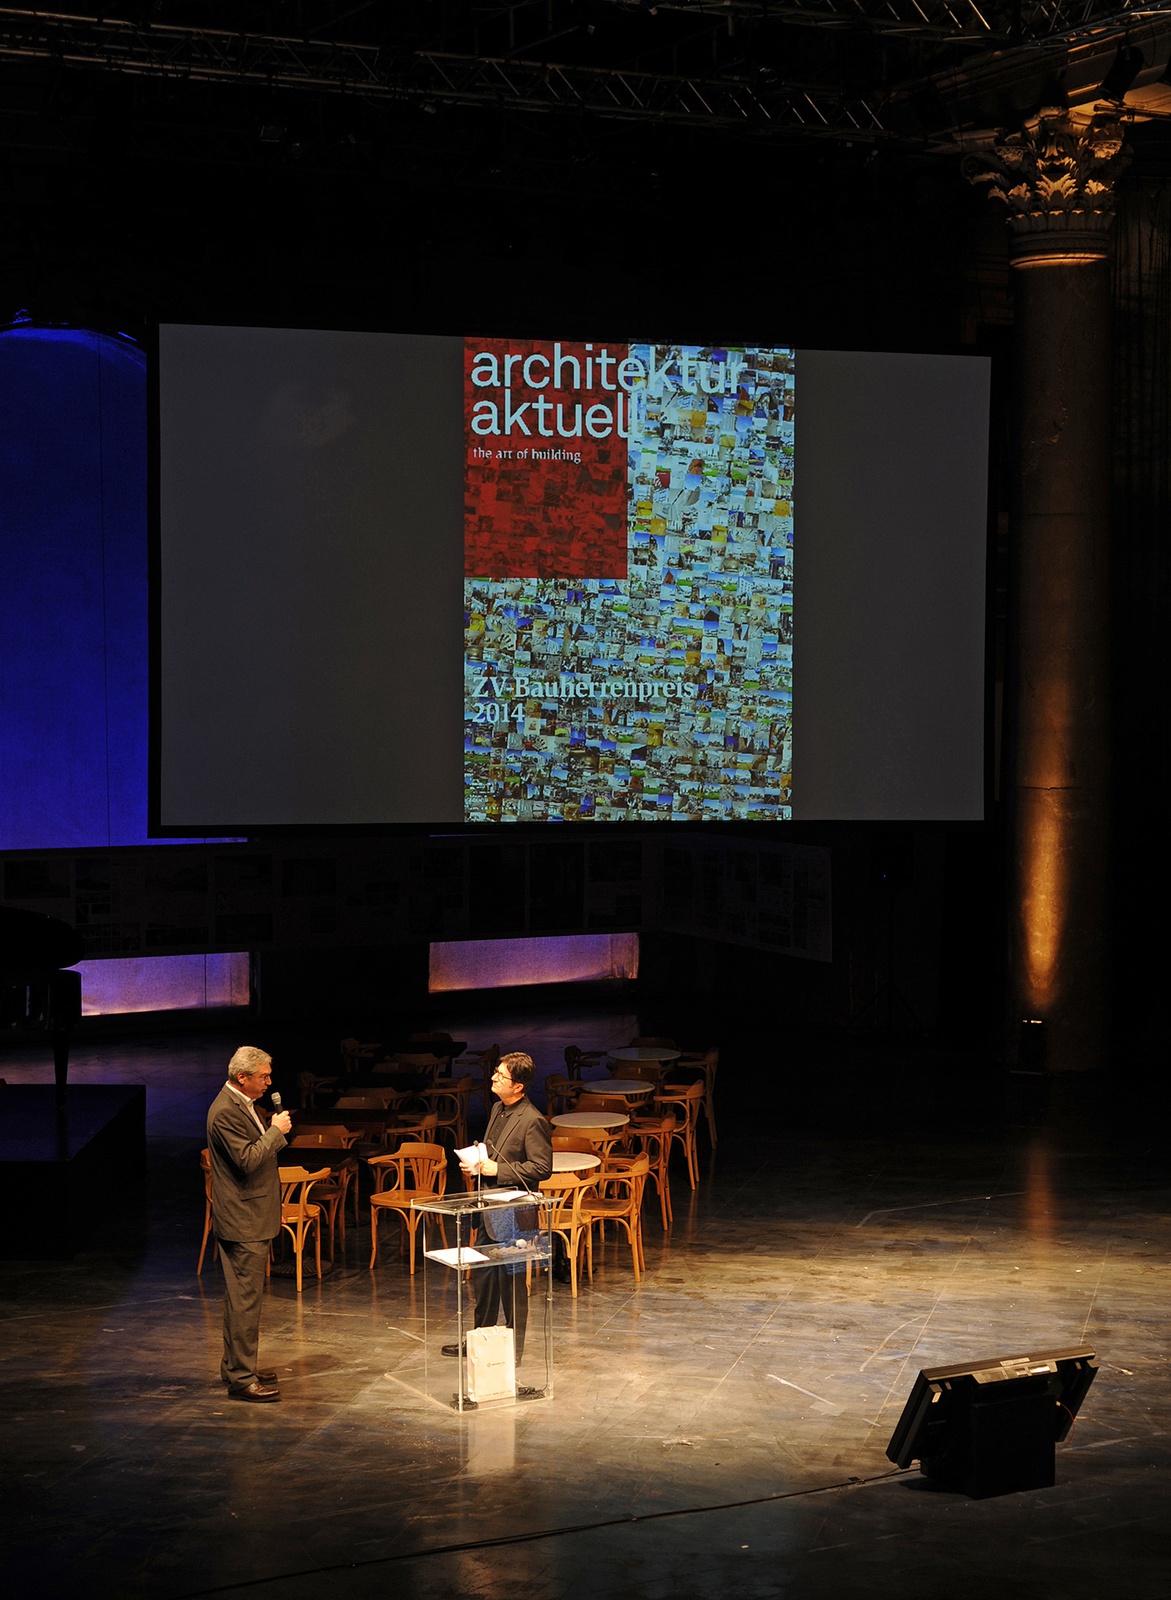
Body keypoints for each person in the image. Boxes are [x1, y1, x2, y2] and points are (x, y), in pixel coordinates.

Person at [449, 1051, 552, 1367]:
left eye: (501, 1075)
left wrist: (498, 1170)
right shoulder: (497, 1108)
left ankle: (513, 1352)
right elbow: (493, 1156)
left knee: (512, 1288)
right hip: (488, 1210)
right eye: (495, 1071)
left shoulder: (532, 1120)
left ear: (518, 1086)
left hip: (514, 1216)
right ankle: (480, 1342)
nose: (493, 1078)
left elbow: (542, 1167)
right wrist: (478, 1165)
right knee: (483, 1282)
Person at [206, 1045, 292, 1403]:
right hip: (243, 1221)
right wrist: (275, 1131)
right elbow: (247, 1160)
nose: (269, 1082)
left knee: (241, 1300)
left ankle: (235, 1367)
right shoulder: (226, 1111)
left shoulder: (244, 1104)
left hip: (253, 1214)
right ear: (242, 1077)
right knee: (245, 1302)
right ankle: (242, 1379)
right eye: (263, 1076)